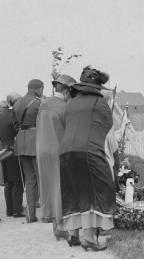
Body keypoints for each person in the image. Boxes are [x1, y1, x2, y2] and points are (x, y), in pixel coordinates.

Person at [59, 66, 115, 251]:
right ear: (98, 87)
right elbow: (107, 126)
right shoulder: (99, 104)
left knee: (73, 188)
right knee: (94, 189)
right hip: (88, 151)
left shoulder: (71, 103)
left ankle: (73, 234)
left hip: (66, 151)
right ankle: (89, 238)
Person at [36, 75, 76, 239]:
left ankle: (53, 222)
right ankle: (60, 225)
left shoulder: (43, 104)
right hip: (58, 149)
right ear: (67, 90)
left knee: (48, 186)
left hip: (42, 149)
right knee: (60, 186)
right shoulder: (65, 107)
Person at [14, 79, 44, 223]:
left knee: (29, 180)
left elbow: (15, 124)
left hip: (21, 140)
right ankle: (46, 213)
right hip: (35, 139)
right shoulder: (38, 103)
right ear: (38, 89)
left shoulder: (17, 102)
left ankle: (31, 215)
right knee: (41, 178)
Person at [0, 93, 25, 218]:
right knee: (18, 180)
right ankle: (17, 210)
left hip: (4, 150)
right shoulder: (14, 114)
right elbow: (18, 131)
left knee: (8, 181)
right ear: (15, 102)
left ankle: (9, 210)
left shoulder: (3, 114)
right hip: (13, 149)